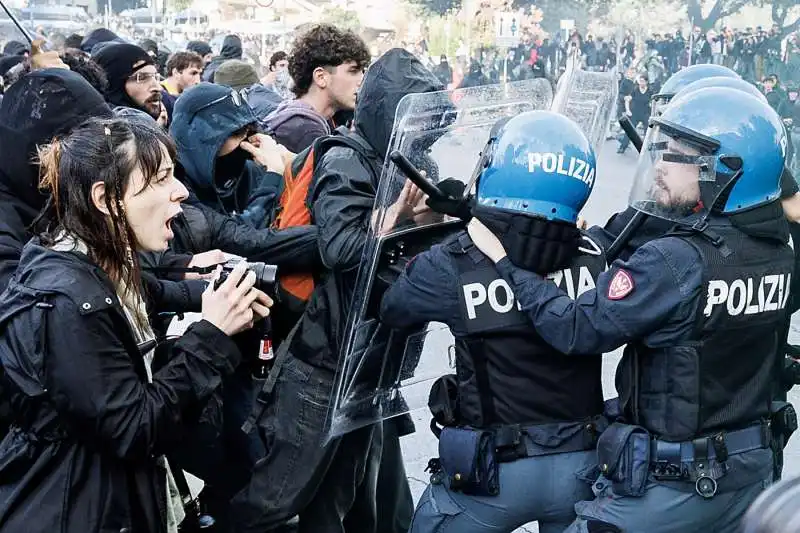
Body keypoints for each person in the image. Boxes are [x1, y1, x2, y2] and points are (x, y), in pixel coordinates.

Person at [467, 87, 792, 532]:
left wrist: (506, 262)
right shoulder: (779, 253)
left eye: (678, 157)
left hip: (671, 489)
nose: (658, 167)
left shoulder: (675, 260)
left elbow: (577, 329)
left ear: (726, 171)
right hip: (750, 475)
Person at [0, 117, 272, 533]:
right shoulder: (68, 302)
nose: (180, 191)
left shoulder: (103, 263)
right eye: (161, 178)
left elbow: (160, 293)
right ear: (107, 199)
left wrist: (224, 296)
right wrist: (211, 335)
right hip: (77, 509)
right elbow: (134, 427)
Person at [232, 48, 436, 533]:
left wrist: (436, 217)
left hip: (372, 359)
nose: (427, 128)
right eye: (417, 114)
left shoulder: (406, 158)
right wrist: (399, 218)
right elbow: (340, 248)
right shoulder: (346, 159)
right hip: (325, 362)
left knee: (342, 493)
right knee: (276, 498)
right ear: (391, 109)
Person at [380, 111, 609, 533]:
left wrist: (433, 231)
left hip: (494, 475)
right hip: (584, 465)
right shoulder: (596, 253)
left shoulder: (454, 262)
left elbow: (393, 308)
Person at [266, 24, 371, 153]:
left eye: (363, 72)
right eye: (353, 71)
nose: (362, 81)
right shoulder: (304, 131)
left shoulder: (324, 120)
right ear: (321, 77)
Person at [93, 43, 167, 126]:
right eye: (142, 77)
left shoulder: (157, 121)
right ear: (114, 85)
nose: (158, 87)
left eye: (156, 77)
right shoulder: (103, 131)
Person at [161, 51, 203, 121]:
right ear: (176, 72)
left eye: (199, 74)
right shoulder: (159, 97)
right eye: (193, 73)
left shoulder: (185, 95)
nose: (198, 81)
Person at [617, 74, 652, 153]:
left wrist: (652, 113)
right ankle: (623, 147)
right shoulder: (635, 90)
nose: (641, 83)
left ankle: (646, 149)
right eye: (640, 81)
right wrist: (628, 110)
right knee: (630, 130)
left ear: (646, 82)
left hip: (645, 113)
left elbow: (653, 102)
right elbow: (628, 100)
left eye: (643, 81)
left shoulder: (650, 91)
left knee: (648, 131)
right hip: (635, 113)